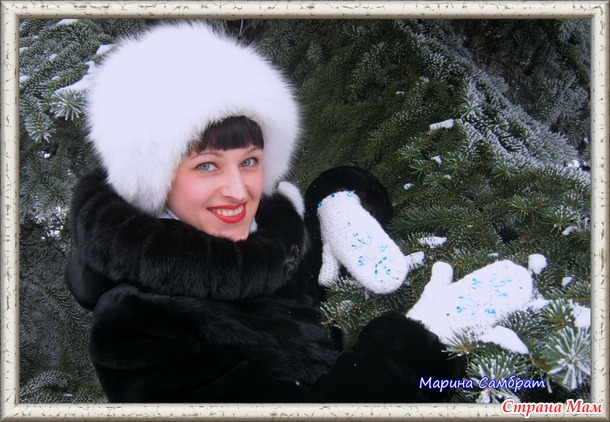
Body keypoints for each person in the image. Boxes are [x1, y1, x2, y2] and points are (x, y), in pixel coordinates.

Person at [65, 22, 536, 403]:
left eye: (250, 161)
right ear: (154, 176)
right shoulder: (136, 328)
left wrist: (338, 202)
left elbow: (295, 270)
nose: (238, 190)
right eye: (207, 165)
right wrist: (414, 346)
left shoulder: (261, 241)